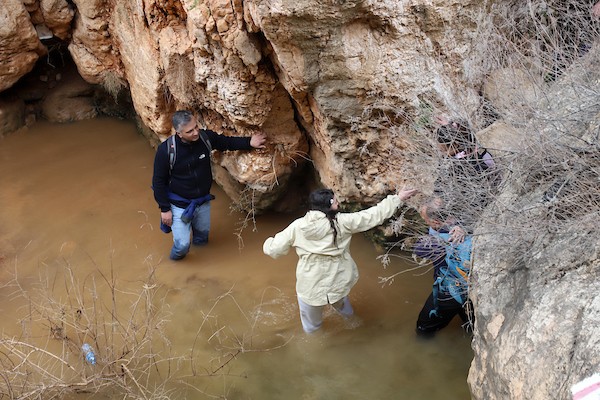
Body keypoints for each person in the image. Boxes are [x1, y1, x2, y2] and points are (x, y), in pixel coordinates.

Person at [263, 187, 418, 333]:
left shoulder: (298, 226)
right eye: (335, 201)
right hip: (338, 279)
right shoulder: (342, 222)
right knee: (344, 308)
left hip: (310, 285)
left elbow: (274, 250)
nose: (338, 203)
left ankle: (315, 346)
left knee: (311, 326)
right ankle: (354, 325)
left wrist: (268, 242)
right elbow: (373, 216)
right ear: (329, 206)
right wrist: (398, 198)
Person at [152, 110, 267, 260]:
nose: (195, 132)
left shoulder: (205, 138)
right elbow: (158, 182)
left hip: (202, 201)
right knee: (182, 247)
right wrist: (165, 209)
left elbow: (226, 142)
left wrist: (249, 142)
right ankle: (174, 266)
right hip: (179, 204)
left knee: (202, 239)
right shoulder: (166, 151)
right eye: (190, 131)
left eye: (196, 127)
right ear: (179, 133)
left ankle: (203, 262)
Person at [414, 198, 474, 337]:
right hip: (470, 288)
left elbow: (419, 248)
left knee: (424, 326)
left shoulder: (441, 241)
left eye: (425, 219)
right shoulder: (467, 225)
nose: (424, 221)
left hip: (449, 291)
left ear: (435, 222)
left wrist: (441, 236)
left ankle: (424, 345)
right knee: (469, 318)